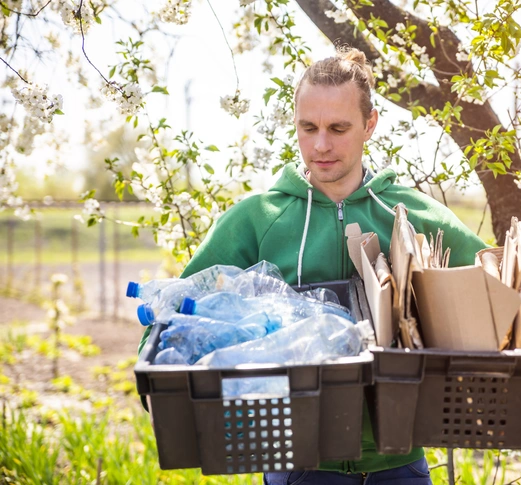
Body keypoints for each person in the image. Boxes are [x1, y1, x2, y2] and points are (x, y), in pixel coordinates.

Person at [138, 47, 487, 484]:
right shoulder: (257, 220)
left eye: (338, 128)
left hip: (399, 464)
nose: (321, 145)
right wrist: (156, 384)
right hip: (300, 463)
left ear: (370, 125)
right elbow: (172, 313)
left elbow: (493, 290)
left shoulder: (411, 214)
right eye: (309, 128)